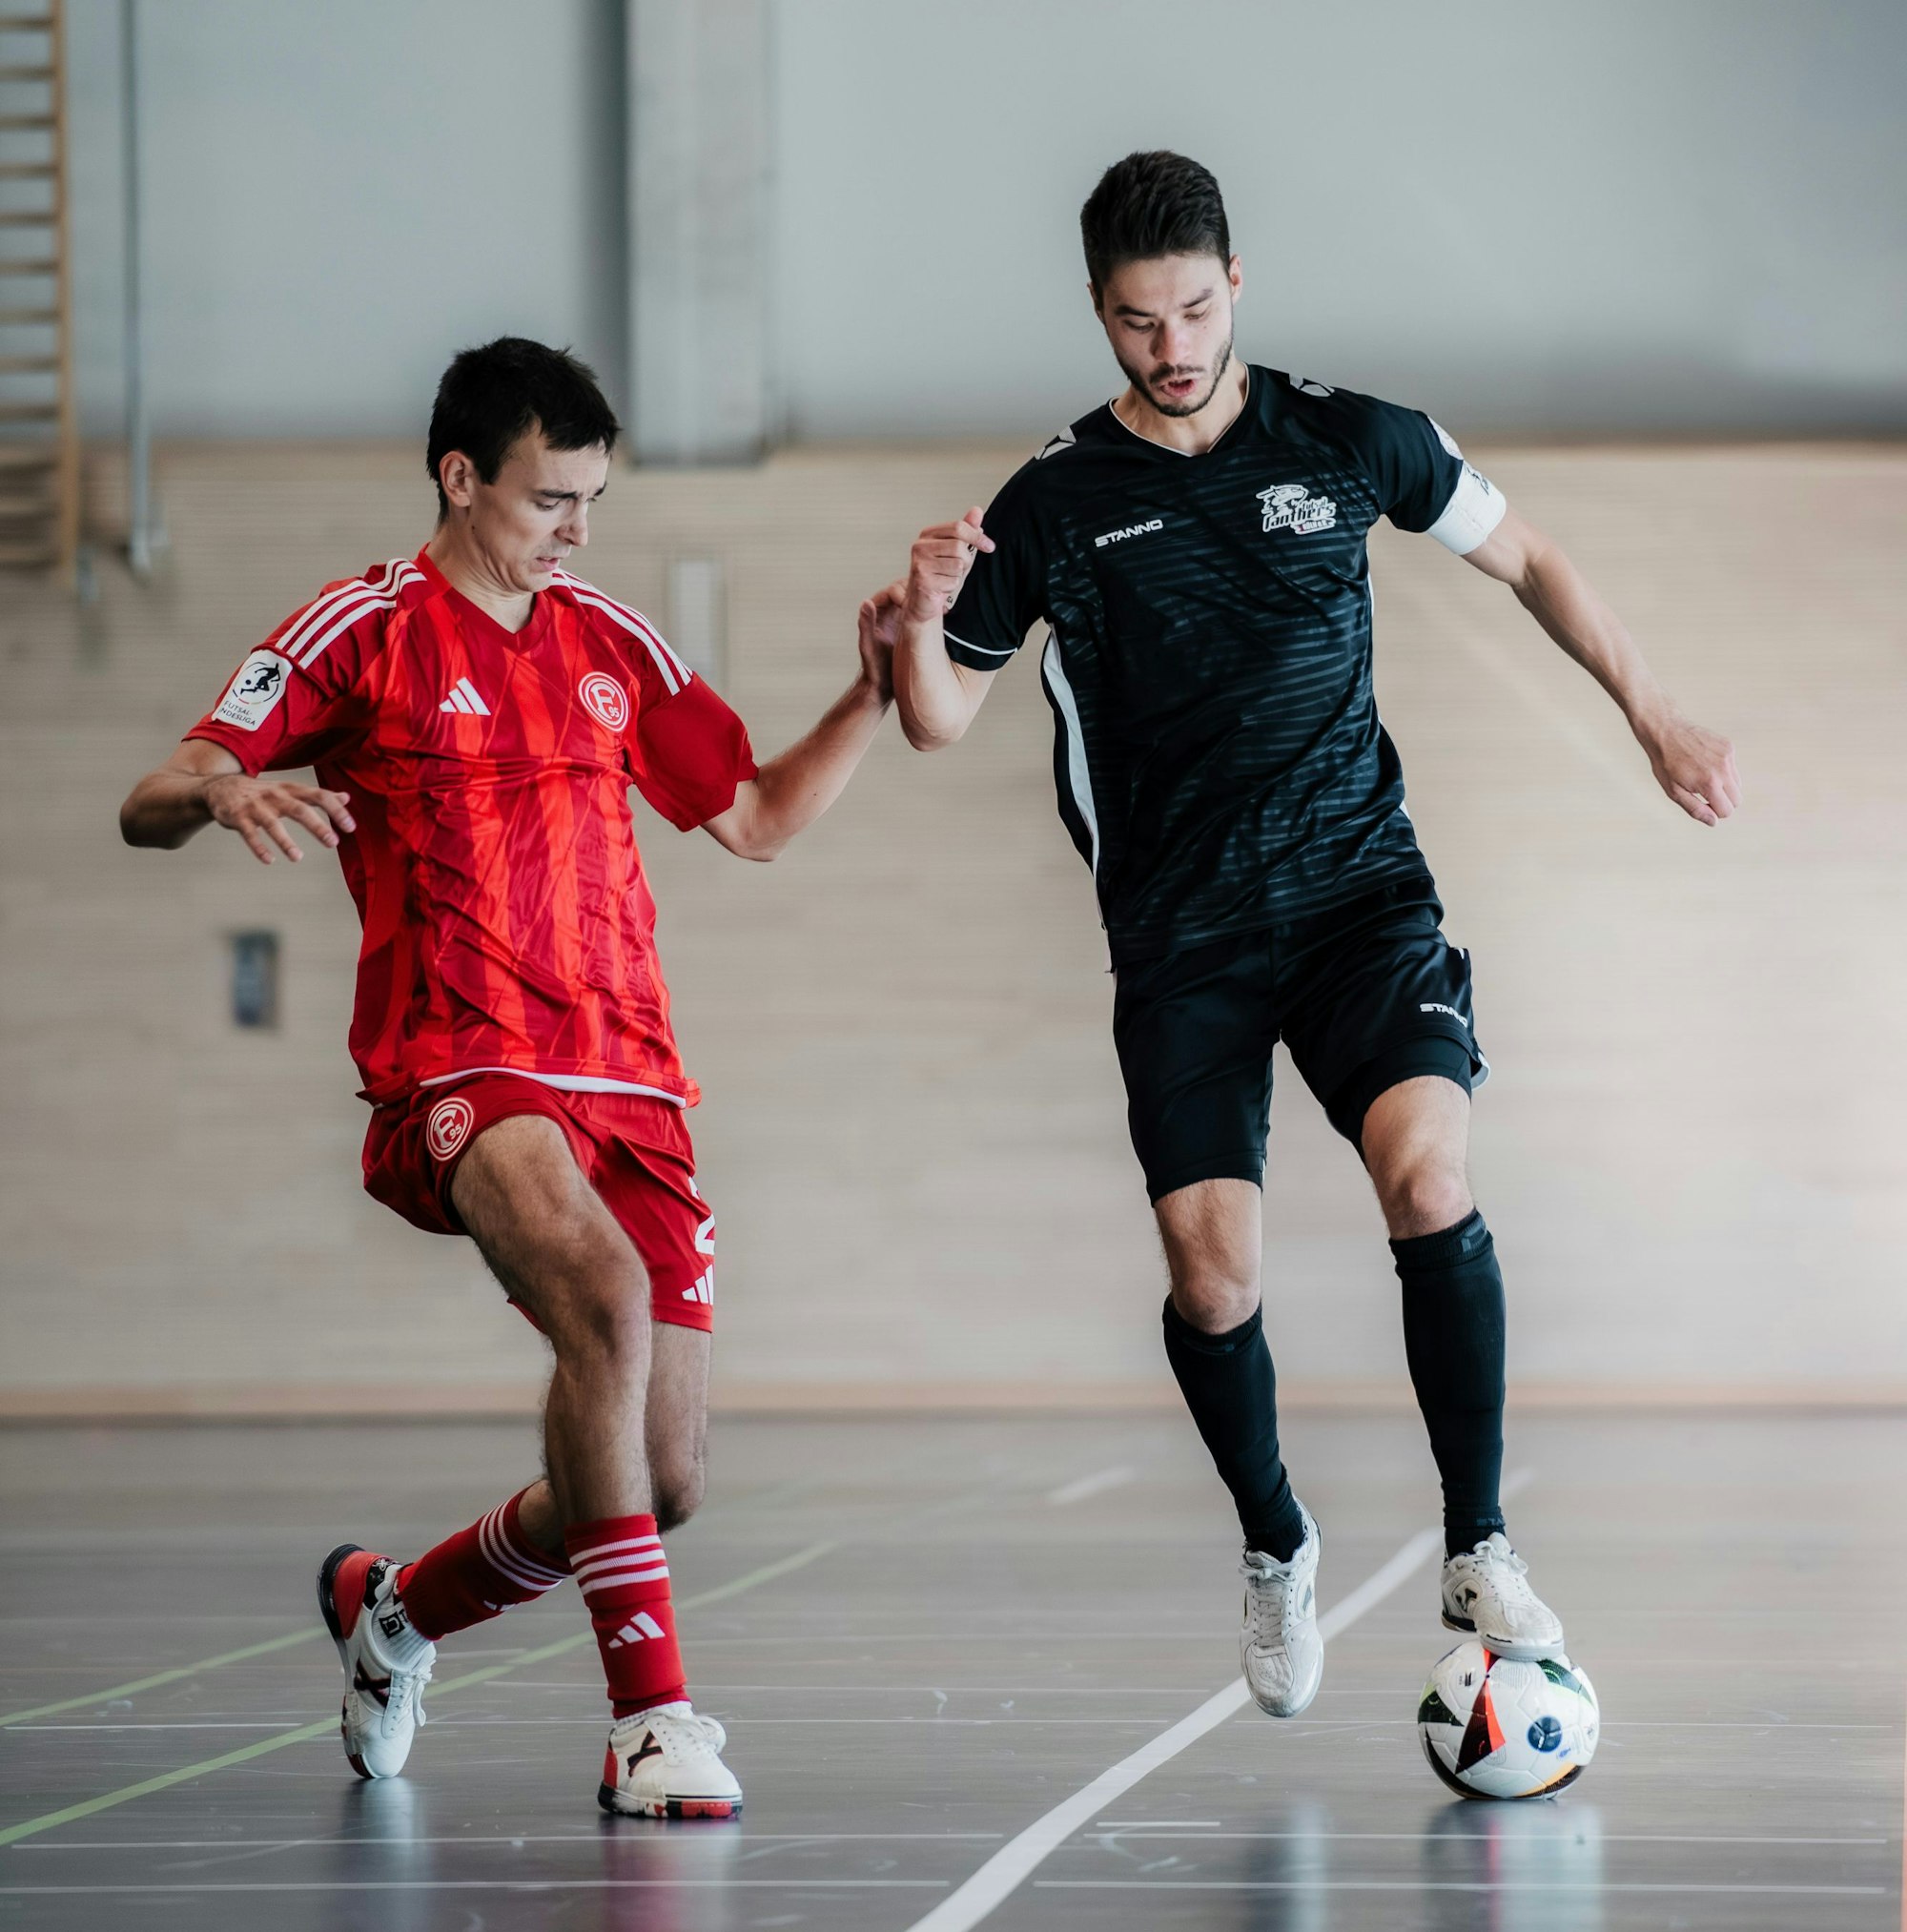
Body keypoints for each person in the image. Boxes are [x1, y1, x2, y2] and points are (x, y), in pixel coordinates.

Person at [888, 153, 1739, 1717]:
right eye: (1137, 322)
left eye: (1194, 310)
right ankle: (1277, 1541)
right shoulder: (1052, 501)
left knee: (1430, 1173)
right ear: (1099, 313)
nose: (1172, 347)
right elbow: (940, 720)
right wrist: (918, 630)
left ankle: (1477, 1541)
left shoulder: (1351, 436)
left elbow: (1530, 556)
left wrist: (1653, 711)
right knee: (1213, 1277)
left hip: (1359, 897)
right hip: (1184, 939)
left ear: (1236, 285)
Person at [119, 337, 902, 1818]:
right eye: (552, 499)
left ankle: (394, 1610)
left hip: (635, 1084)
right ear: (459, 476)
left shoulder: (611, 641)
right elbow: (151, 794)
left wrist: (866, 694)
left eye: (595, 499)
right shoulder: (364, 627)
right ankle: (650, 1722)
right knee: (600, 1298)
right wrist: (221, 792)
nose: (578, 531)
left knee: (657, 1476)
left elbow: (754, 819)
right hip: (463, 1061)